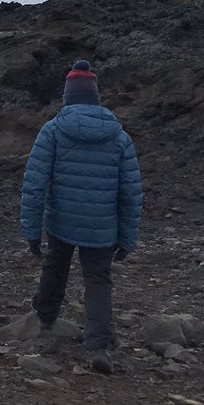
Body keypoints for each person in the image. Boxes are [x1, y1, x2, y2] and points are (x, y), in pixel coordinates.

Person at [20, 59, 143, 374]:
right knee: (98, 281)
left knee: (55, 265)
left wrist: (32, 232)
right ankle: (99, 345)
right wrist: (128, 239)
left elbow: (34, 185)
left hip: (62, 221)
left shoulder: (53, 131)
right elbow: (131, 194)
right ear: (95, 97)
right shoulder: (119, 137)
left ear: (67, 97)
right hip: (103, 229)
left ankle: (45, 316)